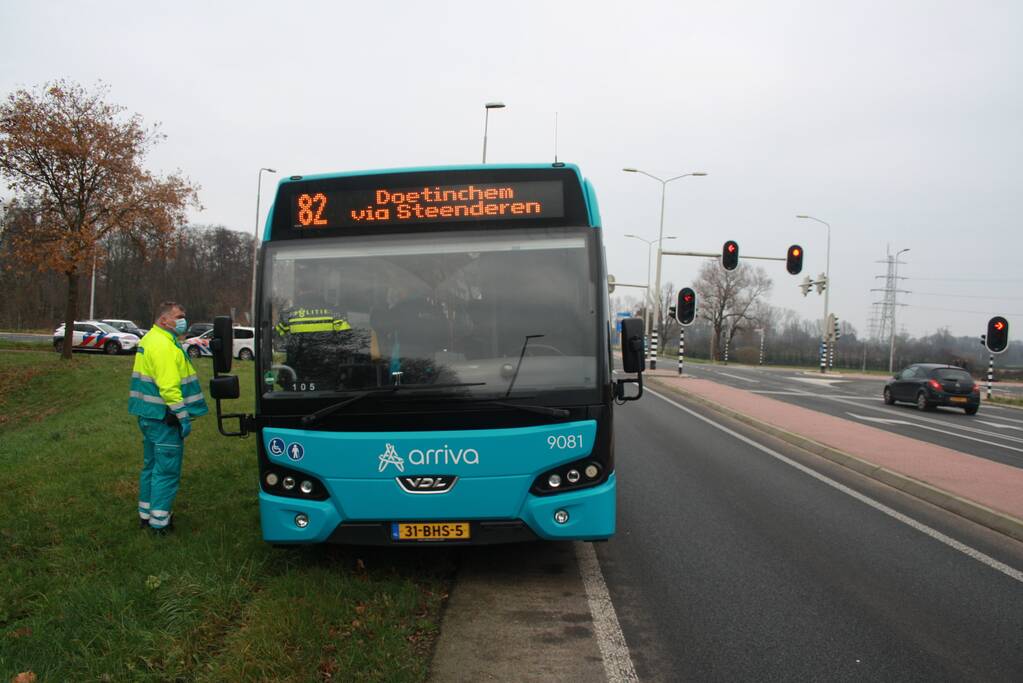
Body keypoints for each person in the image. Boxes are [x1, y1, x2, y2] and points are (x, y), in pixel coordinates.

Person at [128, 301, 208, 533]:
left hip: (148, 416)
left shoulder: (153, 339)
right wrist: (182, 417)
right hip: (165, 419)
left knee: (151, 467)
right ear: (164, 320)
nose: (183, 320)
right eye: (179, 316)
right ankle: (160, 523)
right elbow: (169, 387)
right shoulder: (163, 346)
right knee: (166, 471)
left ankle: (146, 515)